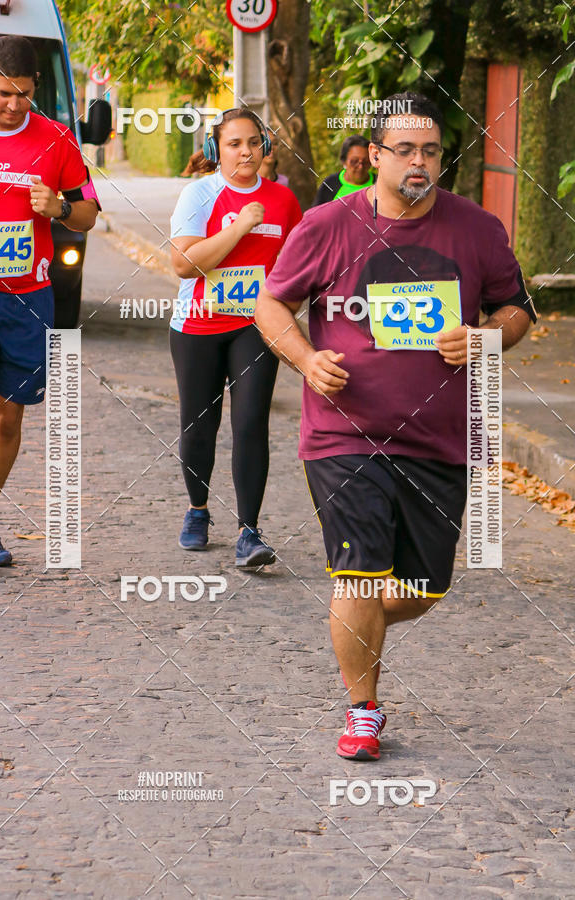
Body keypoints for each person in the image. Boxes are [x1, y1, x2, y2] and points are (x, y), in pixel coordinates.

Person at [255, 91, 535, 759]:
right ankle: (362, 712)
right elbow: (270, 304)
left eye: (431, 151)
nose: (419, 162)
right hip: (343, 432)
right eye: (404, 150)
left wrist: (484, 338)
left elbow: (518, 311)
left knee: (424, 589)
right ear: (374, 156)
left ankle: (350, 628)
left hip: (439, 438)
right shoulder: (327, 225)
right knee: (357, 575)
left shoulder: (476, 230)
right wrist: (305, 357)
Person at [0, 35, 100, 566]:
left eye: (23, 94)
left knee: (8, 418)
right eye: (4, 93)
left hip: (29, 298)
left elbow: (90, 213)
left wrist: (59, 207)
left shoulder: (56, 140)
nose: (13, 105)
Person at [169, 108, 302, 566]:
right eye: (233, 144)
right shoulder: (198, 195)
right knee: (199, 425)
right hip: (198, 327)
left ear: (265, 147)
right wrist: (241, 224)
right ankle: (198, 510)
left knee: (250, 423)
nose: (245, 152)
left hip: (254, 326)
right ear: (215, 150)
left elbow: (295, 271)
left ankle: (250, 531)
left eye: (253, 142)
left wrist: (284, 313)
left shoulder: (284, 201)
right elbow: (184, 264)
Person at [313, 134, 373, 205]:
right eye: (354, 161)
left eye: (366, 161)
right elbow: (316, 213)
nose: (360, 166)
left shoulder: (379, 182)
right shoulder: (331, 184)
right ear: (344, 161)